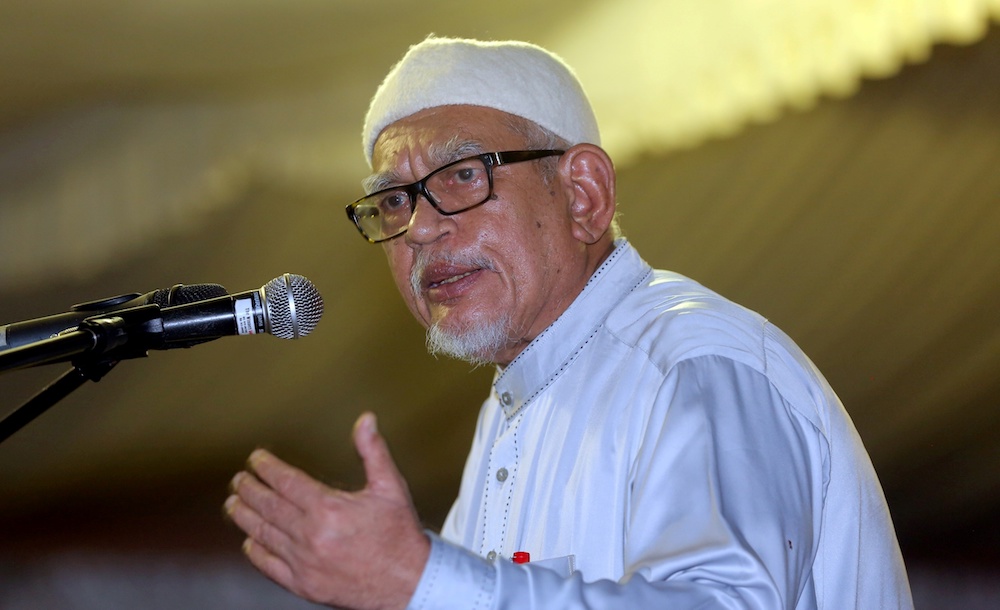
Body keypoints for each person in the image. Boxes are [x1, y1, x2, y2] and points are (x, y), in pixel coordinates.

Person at [225, 36, 914, 609]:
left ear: (584, 195)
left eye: (463, 175)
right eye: (395, 200)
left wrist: (420, 580)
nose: (421, 228)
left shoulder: (694, 360)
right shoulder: (516, 408)